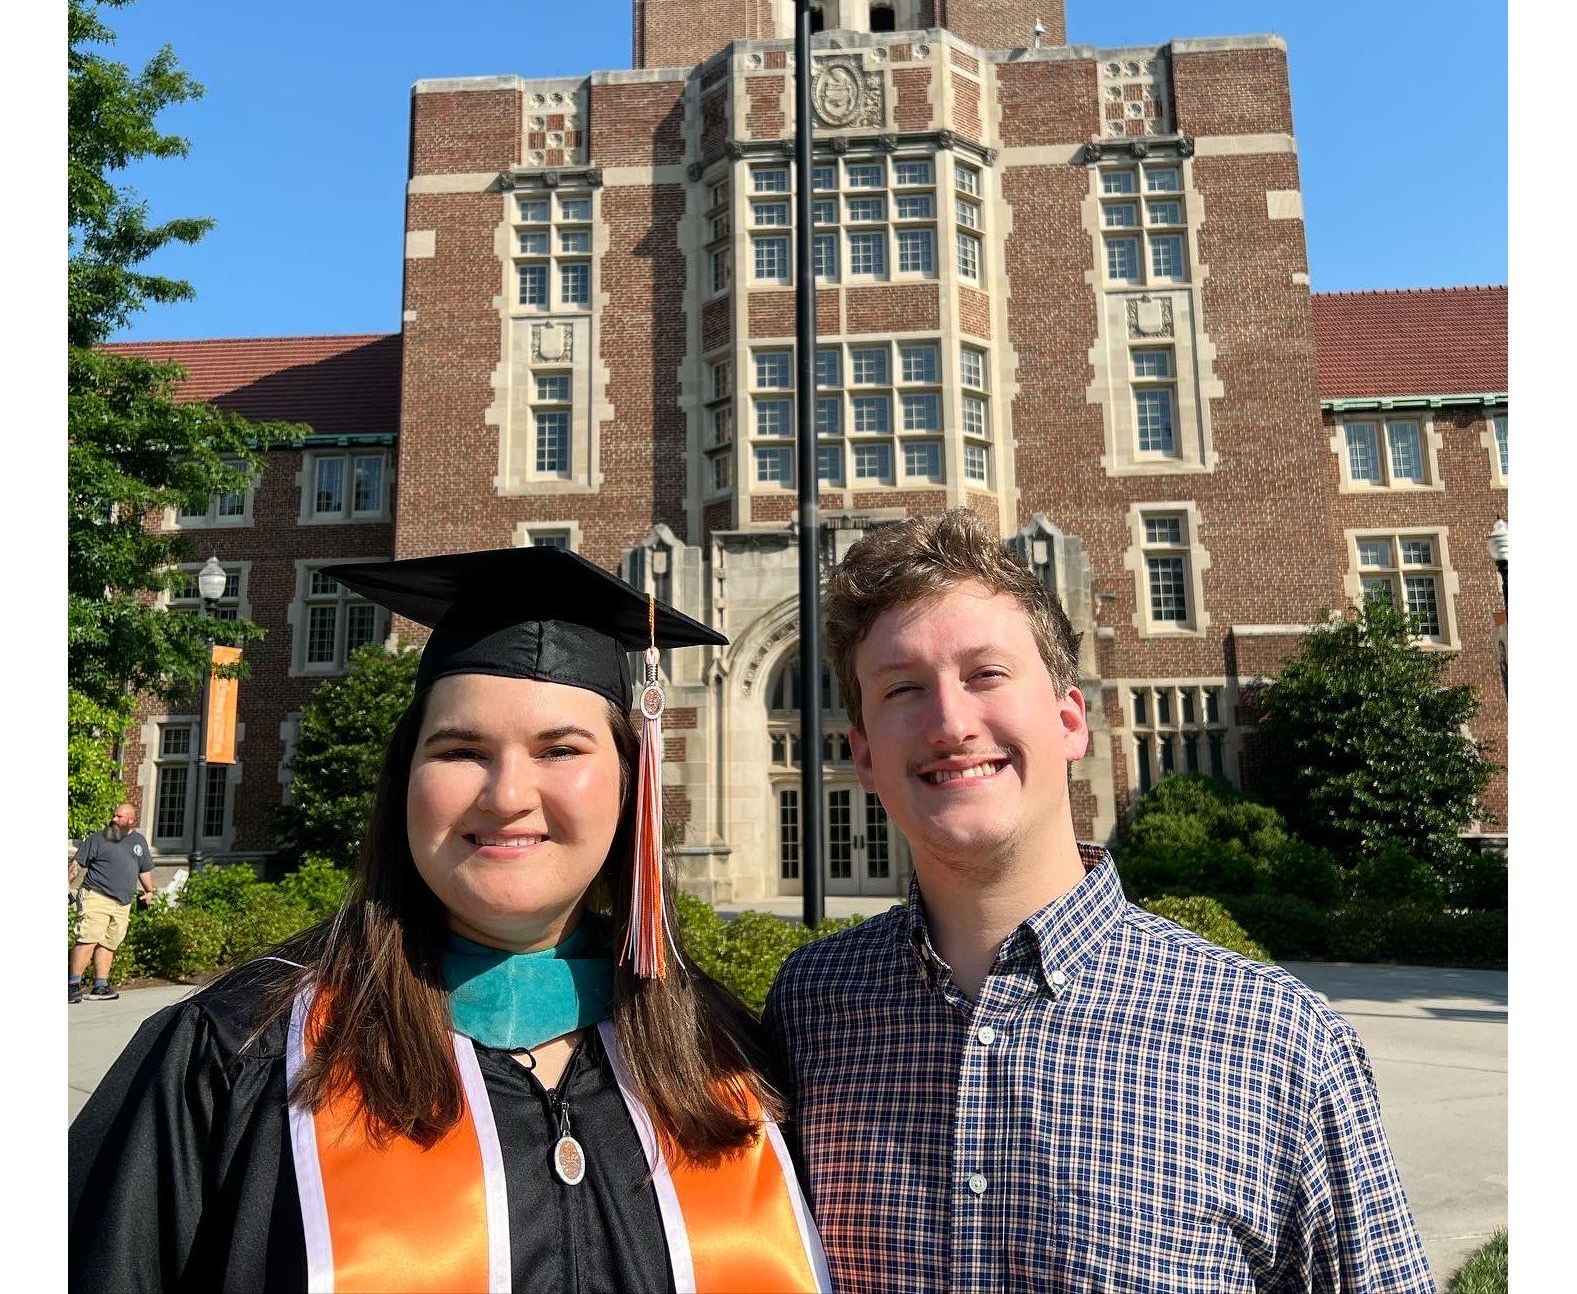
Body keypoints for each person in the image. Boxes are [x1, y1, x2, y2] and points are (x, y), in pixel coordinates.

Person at [70, 546, 830, 1293]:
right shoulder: (238, 1054)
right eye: (462, 749)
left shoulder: (730, 1061)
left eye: (560, 748)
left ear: (632, 782)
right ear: (407, 777)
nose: (506, 794)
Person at [764, 509, 1435, 1293]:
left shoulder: (1277, 1043)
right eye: (904, 688)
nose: (949, 721)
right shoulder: (808, 1012)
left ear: (1069, 720)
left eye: (986, 673)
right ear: (866, 755)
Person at [68, 802, 155, 1004]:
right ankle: (72, 985)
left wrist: (149, 891)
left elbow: (144, 869)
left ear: (131, 821)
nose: (114, 819)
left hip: (122, 902)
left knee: (109, 942)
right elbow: (77, 865)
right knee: (88, 938)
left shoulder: (139, 842)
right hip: (96, 895)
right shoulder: (97, 839)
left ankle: (101, 986)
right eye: (114, 815)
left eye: (120, 817)